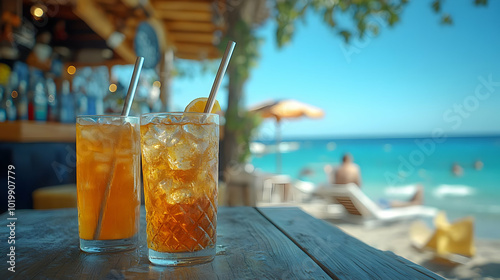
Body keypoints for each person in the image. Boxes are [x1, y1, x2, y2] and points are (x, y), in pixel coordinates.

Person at [325, 153, 424, 208]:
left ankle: (412, 202)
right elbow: (359, 185)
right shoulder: (354, 168)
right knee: (386, 202)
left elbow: (333, 184)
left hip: (347, 206)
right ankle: (413, 203)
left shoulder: (337, 170)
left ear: (342, 160)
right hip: (360, 206)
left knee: (382, 201)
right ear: (349, 160)